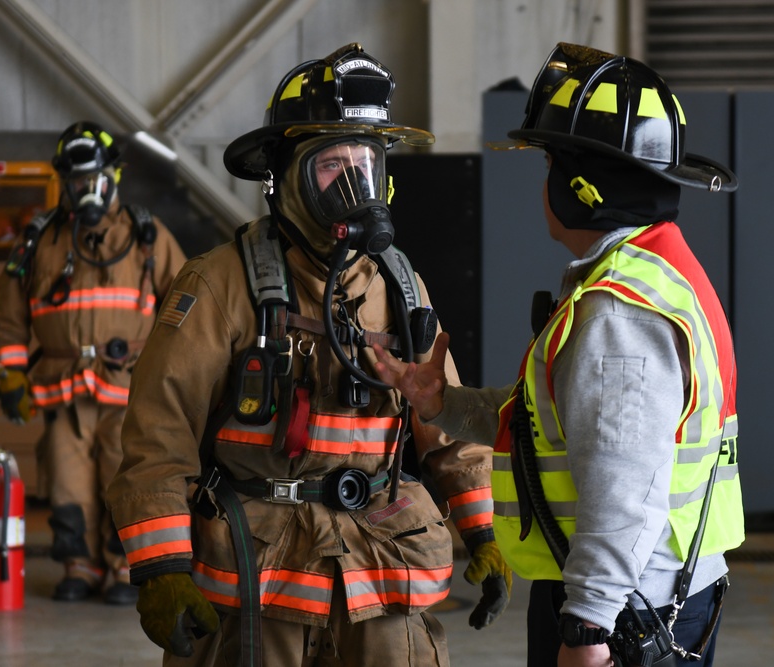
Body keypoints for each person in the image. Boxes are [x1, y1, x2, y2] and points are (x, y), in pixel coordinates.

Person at [105, 43, 510, 666]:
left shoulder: (400, 288)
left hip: (383, 579)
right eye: (332, 165)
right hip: (257, 588)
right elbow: (159, 438)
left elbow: (443, 424)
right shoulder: (219, 286)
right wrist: (163, 568)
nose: (354, 184)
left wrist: (481, 531)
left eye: (365, 163)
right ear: (286, 177)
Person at [373, 43, 745, 667]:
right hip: (651, 594)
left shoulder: (617, 312)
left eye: (548, 162)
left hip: (625, 611)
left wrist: (589, 631)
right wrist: (444, 404)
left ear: (582, 184)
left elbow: (624, 485)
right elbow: (554, 431)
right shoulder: (653, 273)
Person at [0, 120, 189, 605]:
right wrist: (10, 373)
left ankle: (124, 569)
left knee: (125, 480)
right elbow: (10, 319)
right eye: (75, 182)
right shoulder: (40, 241)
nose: (84, 191)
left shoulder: (146, 236)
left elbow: (185, 309)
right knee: (67, 481)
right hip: (61, 389)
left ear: (111, 178)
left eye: (92, 181)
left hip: (129, 390)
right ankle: (78, 566)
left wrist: (179, 379)